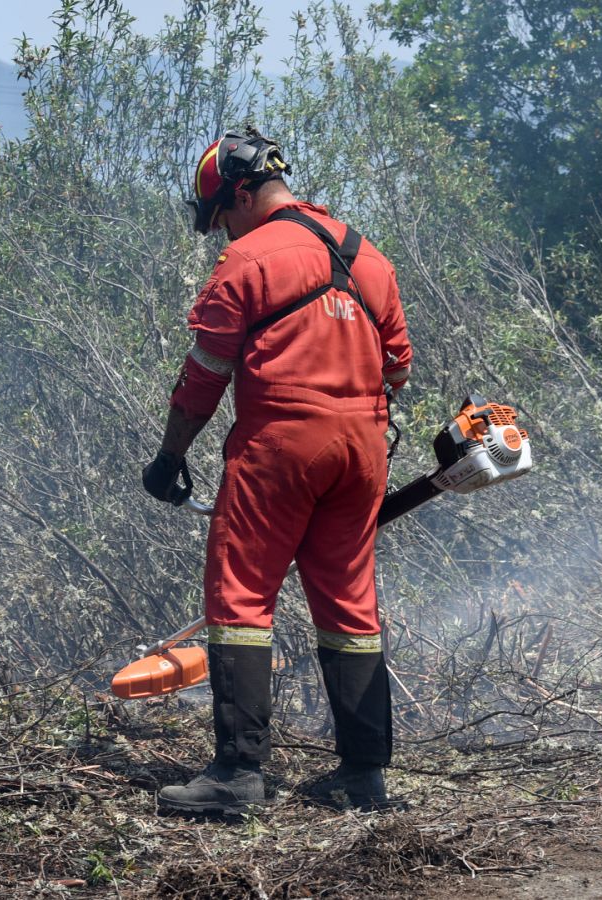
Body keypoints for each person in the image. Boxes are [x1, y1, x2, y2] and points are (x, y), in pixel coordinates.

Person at [140, 128, 413, 815]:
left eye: (220, 216)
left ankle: (237, 775)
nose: (221, 231)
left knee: (240, 599)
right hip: (363, 451)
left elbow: (204, 375)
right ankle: (364, 776)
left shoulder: (249, 256)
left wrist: (171, 457)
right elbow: (399, 367)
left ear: (239, 193)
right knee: (351, 607)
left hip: (282, 446)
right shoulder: (366, 254)